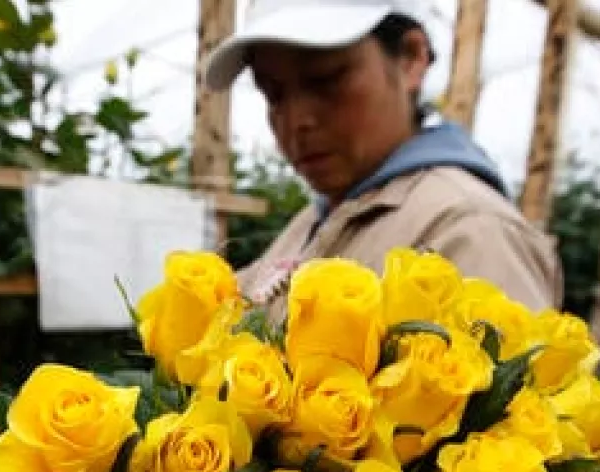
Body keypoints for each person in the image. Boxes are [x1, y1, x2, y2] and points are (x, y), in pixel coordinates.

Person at [204, 0, 563, 313]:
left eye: (326, 80)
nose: (297, 121)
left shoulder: (472, 232)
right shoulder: (316, 222)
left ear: (411, 58)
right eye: (273, 93)